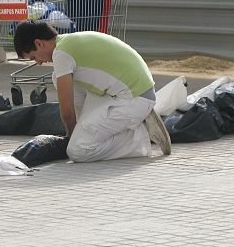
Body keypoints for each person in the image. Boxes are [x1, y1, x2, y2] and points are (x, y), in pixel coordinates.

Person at [13, 20, 171, 163]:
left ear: (39, 43)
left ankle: (140, 137)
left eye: (34, 57)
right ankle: (92, 131)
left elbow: (67, 111)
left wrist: (70, 138)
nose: (39, 62)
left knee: (77, 150)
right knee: (57, 77)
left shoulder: (61, 54)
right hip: (129, 93)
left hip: (135, 99)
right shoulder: (67, 43)